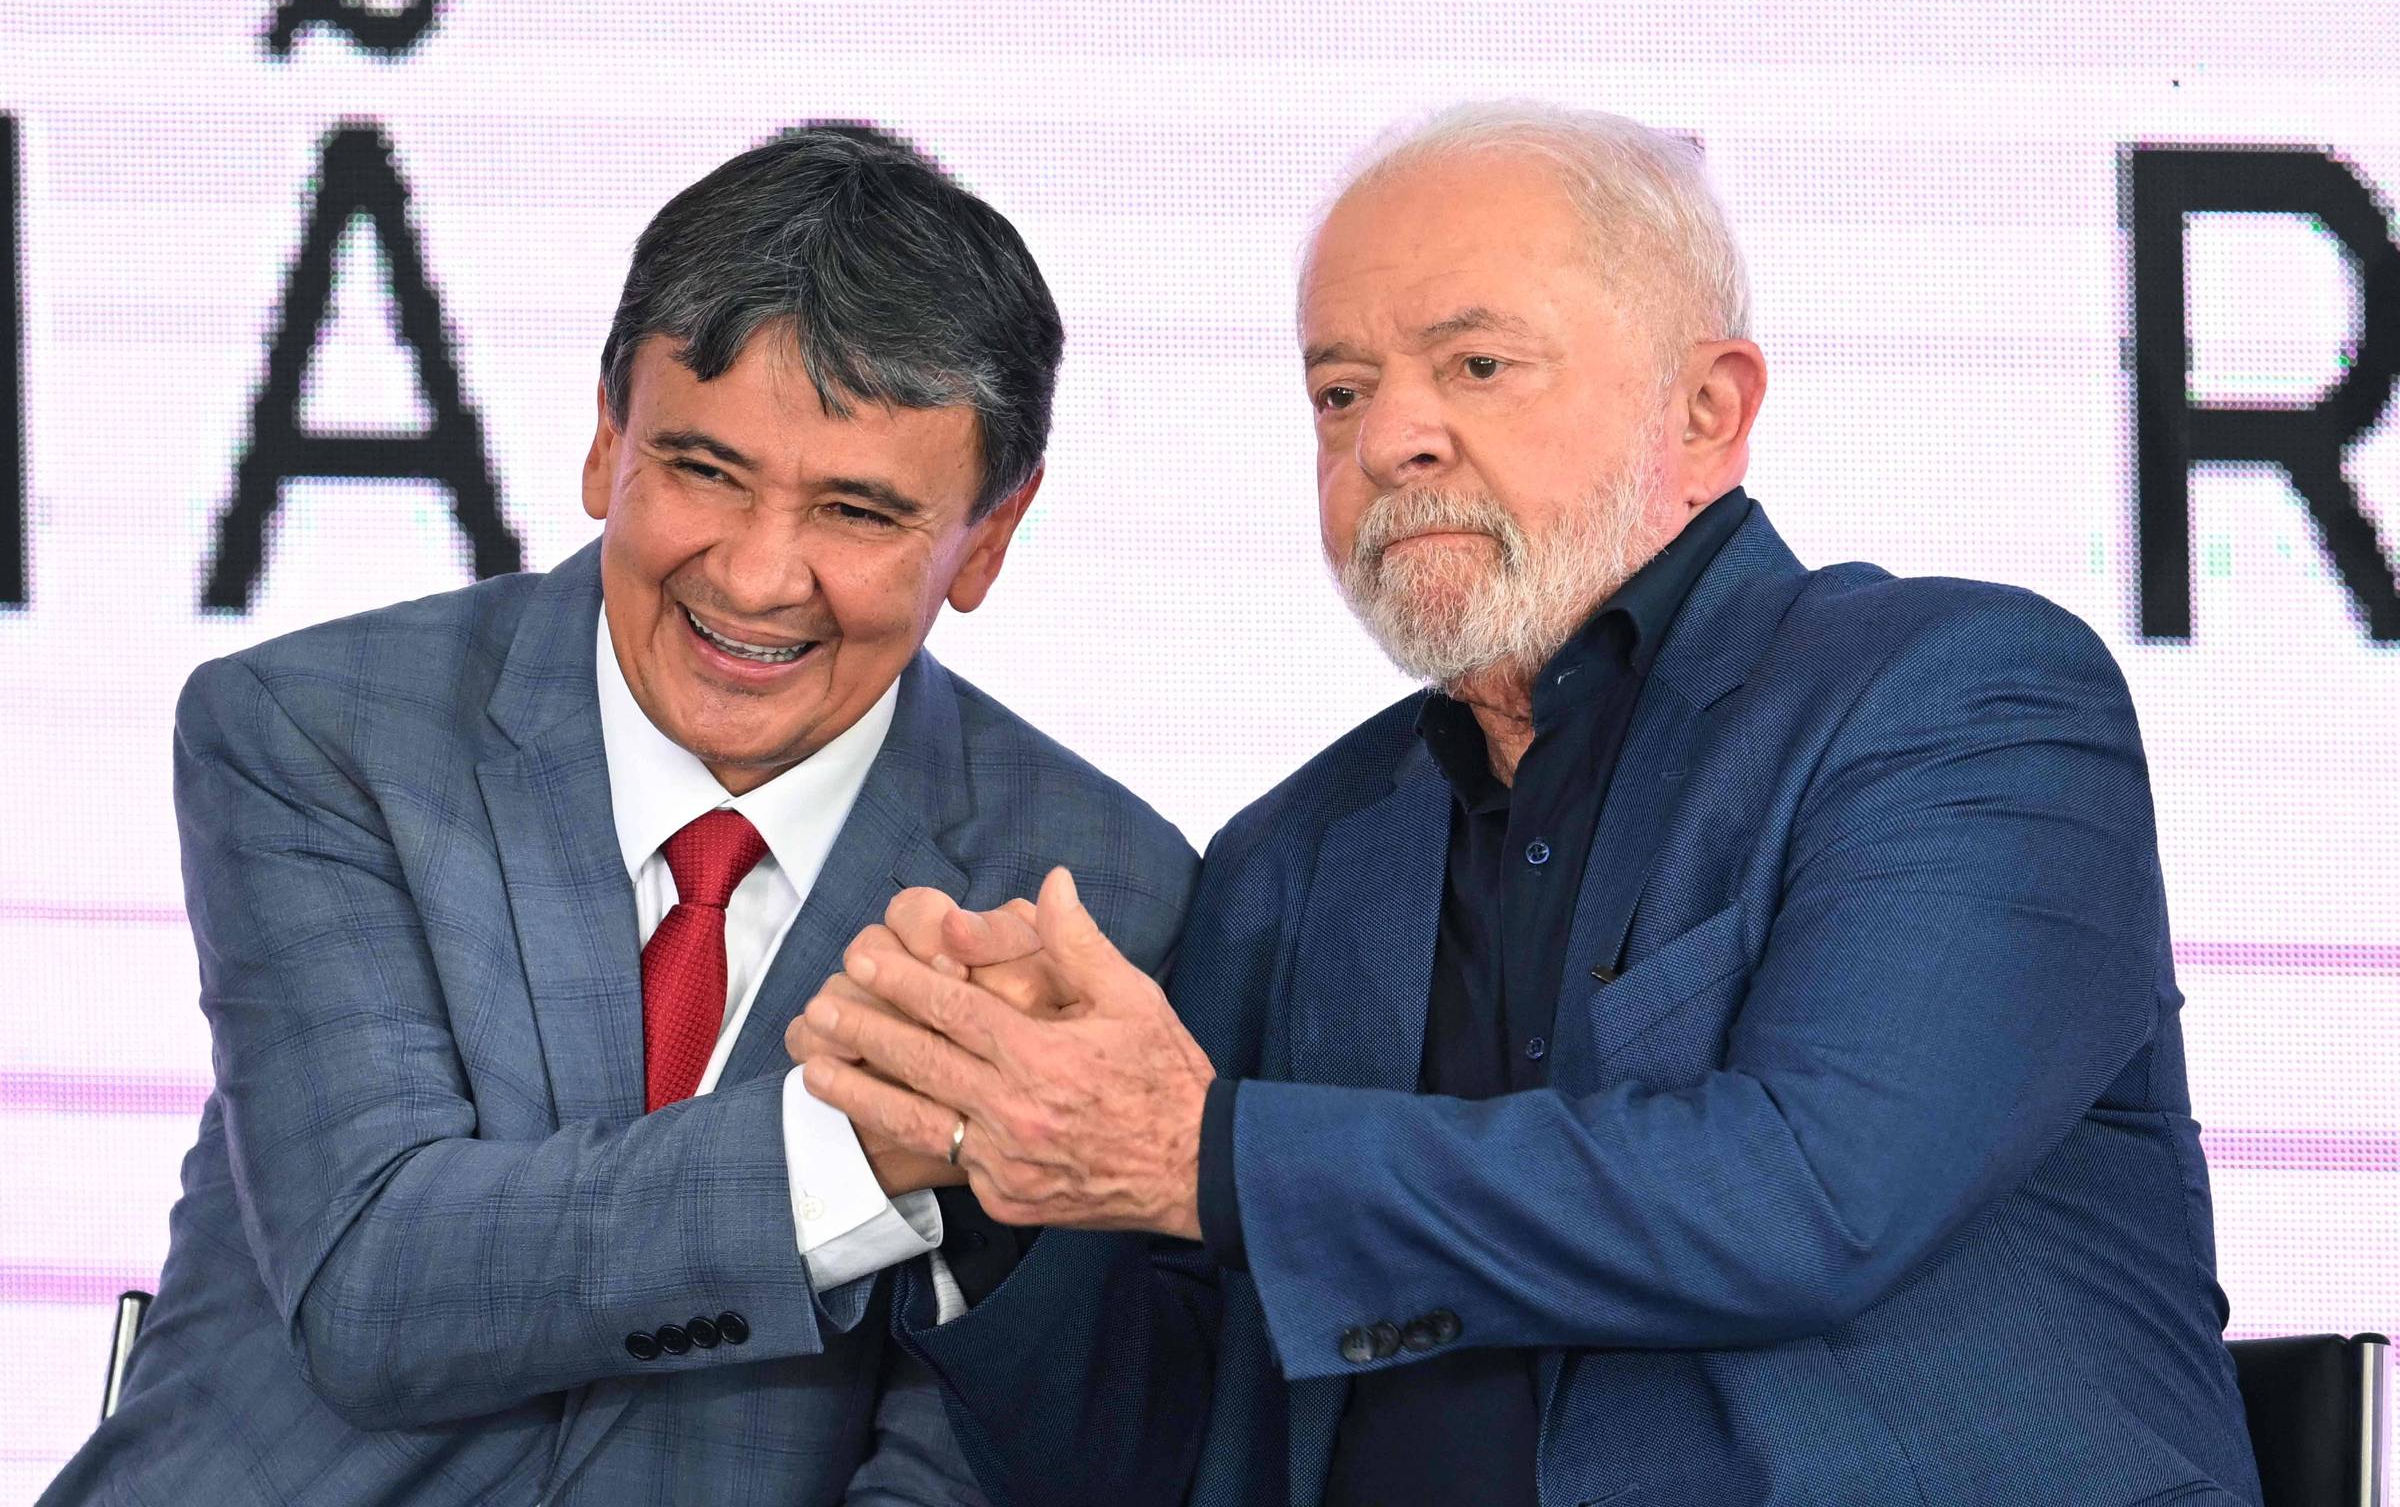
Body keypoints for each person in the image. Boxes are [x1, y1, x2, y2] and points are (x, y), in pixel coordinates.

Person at [796, 104, 2265, 1506]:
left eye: (1478, 365)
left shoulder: (1957, 700)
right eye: (1339, 392)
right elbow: (1139, 1468)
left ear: (1709, 411)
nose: (1390, 440)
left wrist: (1209, 1156)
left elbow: (1813, 1198)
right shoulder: (1286, 860)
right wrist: (997, 1157)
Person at [43, 125, 1195, 1506]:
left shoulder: (1097, 893)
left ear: (988, 538)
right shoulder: (318, 734)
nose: (757, 577)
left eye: (855, 512)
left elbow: (976, 1460)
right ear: (607, 443)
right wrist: (854, 1147)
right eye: (704, 471)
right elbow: (377, 1285)